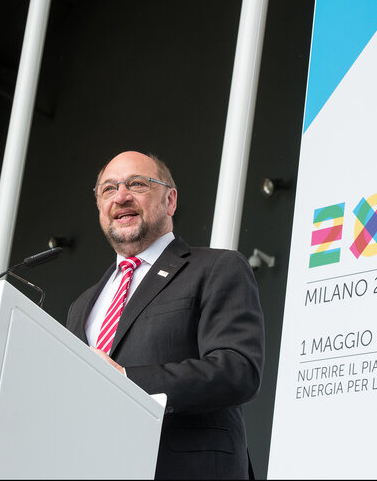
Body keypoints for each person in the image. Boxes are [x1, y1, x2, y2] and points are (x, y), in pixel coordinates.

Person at [66, 151, 265, 479]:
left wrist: (128, 380)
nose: (121, 196)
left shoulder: (217, 268)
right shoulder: (82, 305)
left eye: (137, 184)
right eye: (108, 189)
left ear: (170, 201)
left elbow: (238, 370)